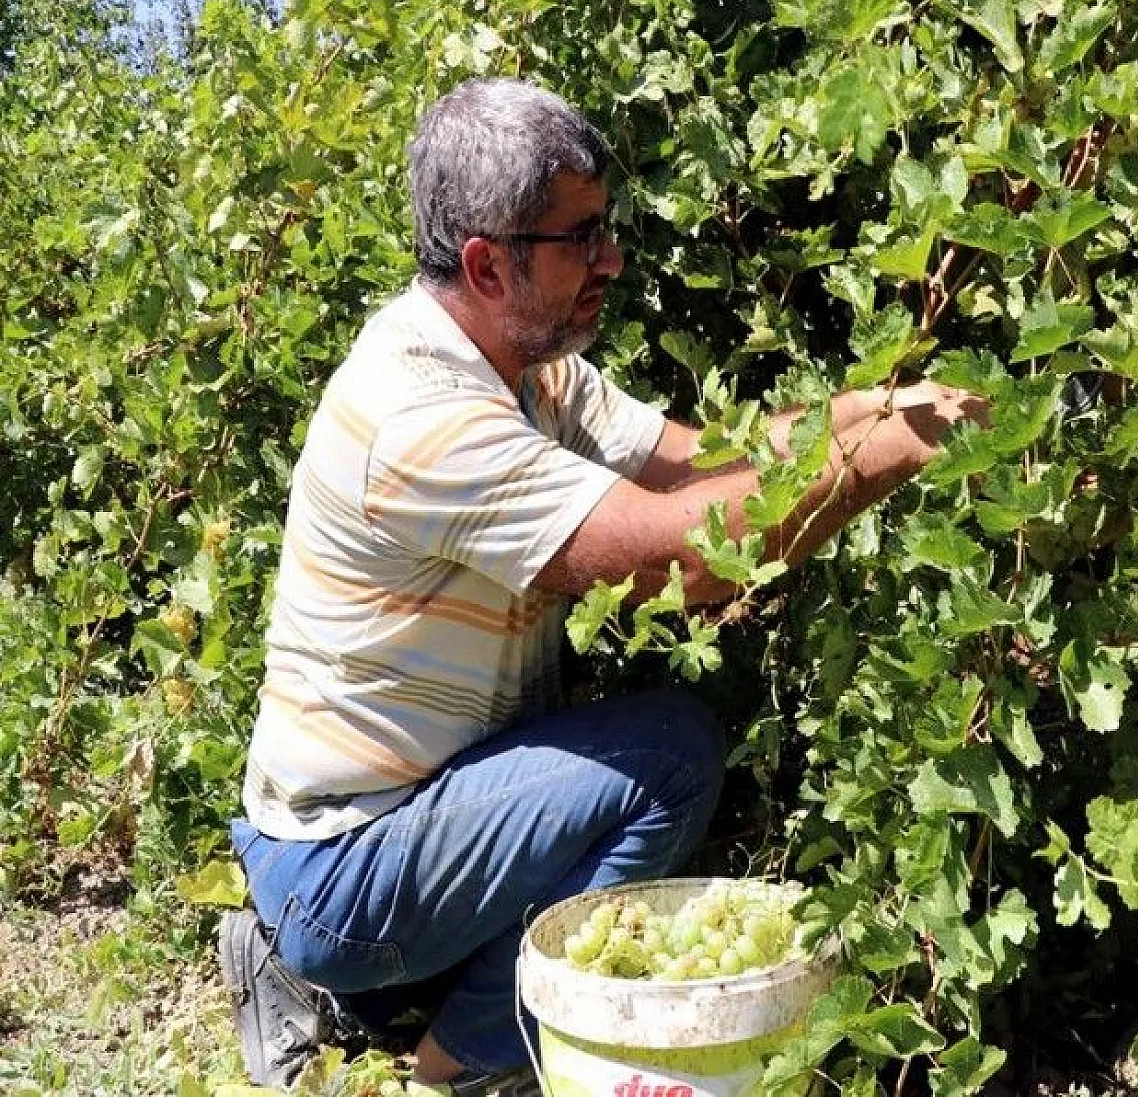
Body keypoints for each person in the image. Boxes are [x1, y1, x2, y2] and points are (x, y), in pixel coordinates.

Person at [218, 76, 986, 1094]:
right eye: (580, 238)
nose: (611, 259)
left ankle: (325, 982)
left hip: (405, 811)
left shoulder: (526, 364)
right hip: (346, 858)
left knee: (599, 753)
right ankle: (461, 1066)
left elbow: (701, 461)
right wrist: (900, 448)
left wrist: (880, 405)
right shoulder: (421, 418)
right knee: (664, 757)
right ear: (488, 263)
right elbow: (691, 553)